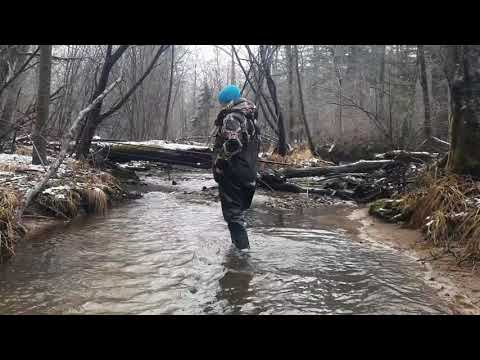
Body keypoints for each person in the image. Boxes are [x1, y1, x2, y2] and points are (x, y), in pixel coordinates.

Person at [212, 85, 260, 251]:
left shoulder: (232, 118)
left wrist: (219, 165)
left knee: (233, 216)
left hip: (233, 172)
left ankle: (242, 259)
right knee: (239, 214)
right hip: (249, 172)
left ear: (230, 102)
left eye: (223, 103)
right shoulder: (251, 117)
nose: (222, 107)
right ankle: (238, 251)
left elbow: (232, 144)